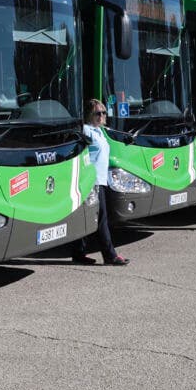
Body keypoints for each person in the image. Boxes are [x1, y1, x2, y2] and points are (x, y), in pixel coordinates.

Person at [72, 99, 129, 266]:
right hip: (92, 180)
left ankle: (78, 253)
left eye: (104, 112)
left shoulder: (101, 131)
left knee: (90, 216)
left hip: (102, 180)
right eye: (98, 113)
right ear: (90, 114)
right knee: (101, 218)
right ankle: (110, 256)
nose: (102, 116)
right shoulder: (86, 130)